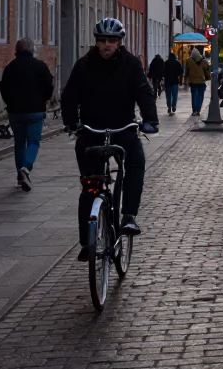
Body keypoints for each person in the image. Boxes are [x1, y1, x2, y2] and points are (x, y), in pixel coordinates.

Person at [61, 18, 158, 261]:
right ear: (96, 42)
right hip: (91, 130)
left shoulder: (131, 64)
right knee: (90, 185)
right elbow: (69, 96)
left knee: (136, 163)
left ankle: (129, 216)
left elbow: (144, 92)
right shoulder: (84, 65)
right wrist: (71, 121)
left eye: (112, 41)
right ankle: (87, 242)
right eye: (102, 41)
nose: (106, 45)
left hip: (122, 127)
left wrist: (150, 120)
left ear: (119, 43)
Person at [0, 37, 54, 192]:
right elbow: (49, 86)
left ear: (17, 51)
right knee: (33, 142)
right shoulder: (40, 66)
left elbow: (4, 89)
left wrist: (10, 104)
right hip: (35, 110)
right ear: (32, 50)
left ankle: (19, 176)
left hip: (15, 112)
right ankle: (26, 168)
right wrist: (44, 99)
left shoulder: (10, 67)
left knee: (19, 144)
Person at [185, 46, 211, 115]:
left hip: (192, 81)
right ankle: (198, 110)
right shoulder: (204, 61)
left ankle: (194, 110)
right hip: (201, 81)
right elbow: (207, 71)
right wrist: (208, 78)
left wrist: (185, 79)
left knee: (194, 96)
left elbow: (186, 71)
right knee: (200, 96)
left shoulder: (189, 61)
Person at [163, 50, 184, 115]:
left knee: (168, 95)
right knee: (175, 95)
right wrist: (180, 80)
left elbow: (163, 72)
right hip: (175, 81)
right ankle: (174, 105)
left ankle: (169, 107)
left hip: (168, 82)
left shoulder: (166, 63)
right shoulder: (177, 63)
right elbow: (181, 72)